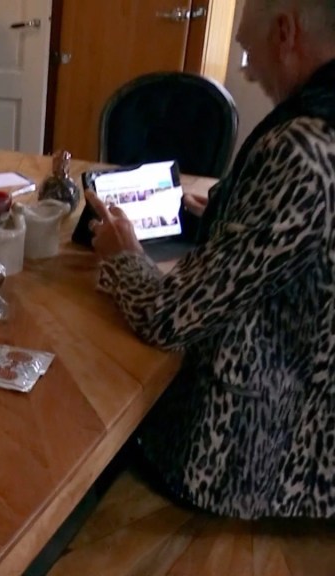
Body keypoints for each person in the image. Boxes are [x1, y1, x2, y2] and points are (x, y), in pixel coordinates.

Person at [85, 0, 335, 518]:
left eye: (247, 52)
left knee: (89, 375)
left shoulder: (302, 151)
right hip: (313, 411)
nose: (249, 71)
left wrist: (122, 256)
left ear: (285, 32)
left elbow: (167, 317)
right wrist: (231, 214)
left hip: (256, 457)